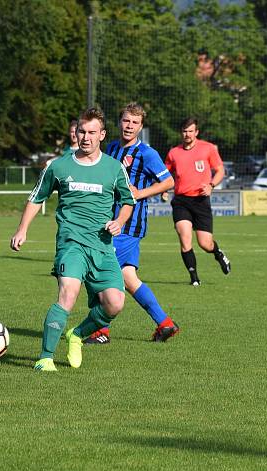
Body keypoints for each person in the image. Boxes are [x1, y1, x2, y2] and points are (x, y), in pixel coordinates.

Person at [10, 107, 135, 371]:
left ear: (102, 134)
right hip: (71, 244)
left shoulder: (113, 168)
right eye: (81, 131)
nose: (86, 137)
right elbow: (36, 198)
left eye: (92, 132)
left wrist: (119, 221)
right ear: (75, 133)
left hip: (102, 247)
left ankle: (76, 334)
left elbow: (127, 201)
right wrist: (22, 230)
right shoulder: (58, 166)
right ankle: (45, 358)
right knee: (68, 293)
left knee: (114, 304)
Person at [85, 103, 179, 344]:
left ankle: (100, 330)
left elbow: (168, 183)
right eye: (126, 121)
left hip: (128, 227)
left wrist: (139, 193)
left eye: (135, 123)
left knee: (98, 272)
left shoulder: (147, 153)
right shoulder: (113, 148)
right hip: (110, 224)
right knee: (128, 277)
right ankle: (165, 323)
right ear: (119, 122)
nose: (129, 126)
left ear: (141, 126)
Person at [165, 117, 231, 286]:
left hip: (201, 201)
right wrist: (163, 189)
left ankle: (218, 253)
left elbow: (220, 170)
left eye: (190, 131)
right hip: (181, 201)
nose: (187, 134)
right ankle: (194, 278)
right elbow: (164, 174)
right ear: (181, 133)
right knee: (185, 237)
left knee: (205, 244)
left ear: (196, 132)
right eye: (184, 131)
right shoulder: (174, 152)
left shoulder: (207, 148)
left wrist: (211, 185)